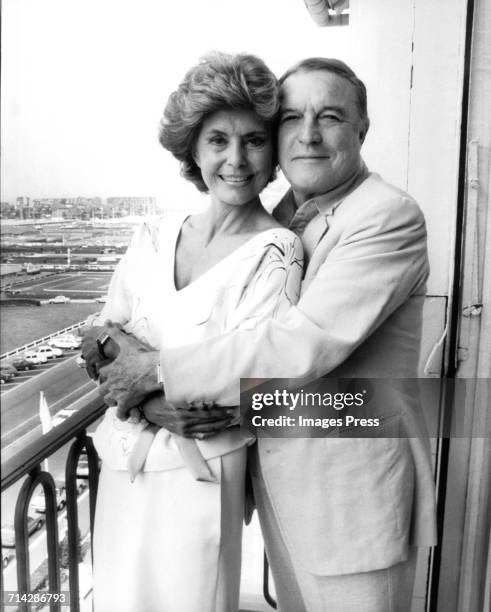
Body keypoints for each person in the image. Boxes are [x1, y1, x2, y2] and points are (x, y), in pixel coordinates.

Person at [97, 58, 438, 611]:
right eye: (293, 118)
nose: (308, 134)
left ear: (362, 129)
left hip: (349, 493)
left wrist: (156, 373)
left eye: (329, 116)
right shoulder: (285, 213)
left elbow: (301, 341)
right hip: (279, 486)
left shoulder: (385, 215)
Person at [81, 52, 303, 612]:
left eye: (254, 140)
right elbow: (100, 340)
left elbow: (240, 386)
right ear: (193, 150)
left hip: (201, 478)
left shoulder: (276, 252)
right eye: (218, 141)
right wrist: (150, 397)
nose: (236, 159)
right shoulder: (153, 235)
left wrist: (135, 373)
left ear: (273, 149)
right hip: (122, 466)